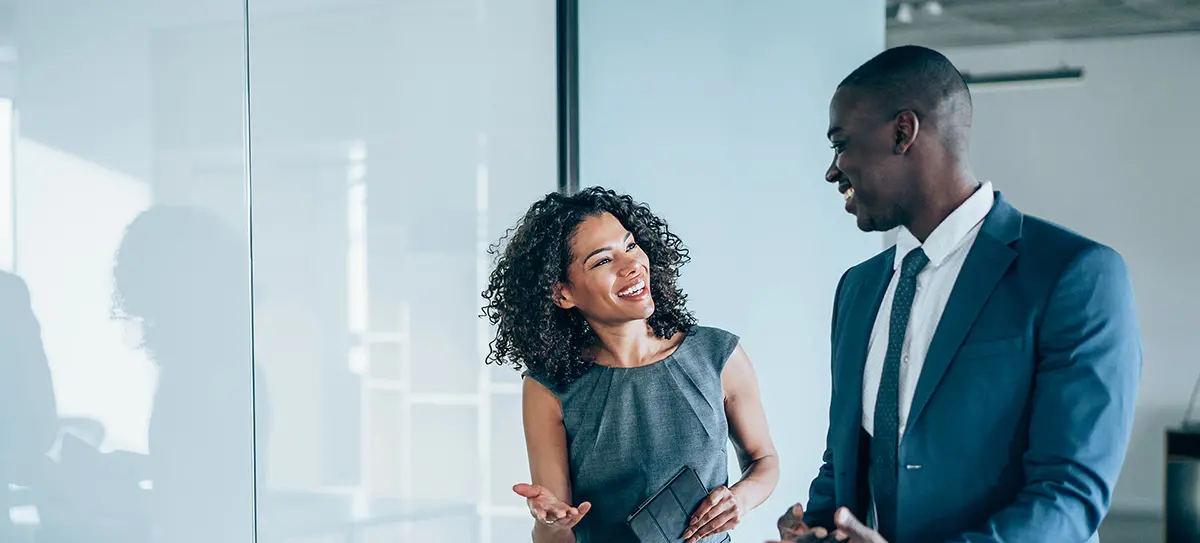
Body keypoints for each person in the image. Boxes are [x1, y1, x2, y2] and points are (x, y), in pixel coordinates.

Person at [771, 46, 1141, 543]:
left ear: (904, 132)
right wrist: (814, 530)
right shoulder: (858, 288)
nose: (833, 170)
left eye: (841, 144)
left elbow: (1068, 498)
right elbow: (847, 457)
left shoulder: (1075, 275)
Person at [482, 187, 779, 543]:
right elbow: (556, 536)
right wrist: (551, 523)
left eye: (631, 246)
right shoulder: (549, 388)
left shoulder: (718, 354)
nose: (632, 265)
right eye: (603, 261)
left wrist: (739, 500)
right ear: (563, 293)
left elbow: (764, 460)